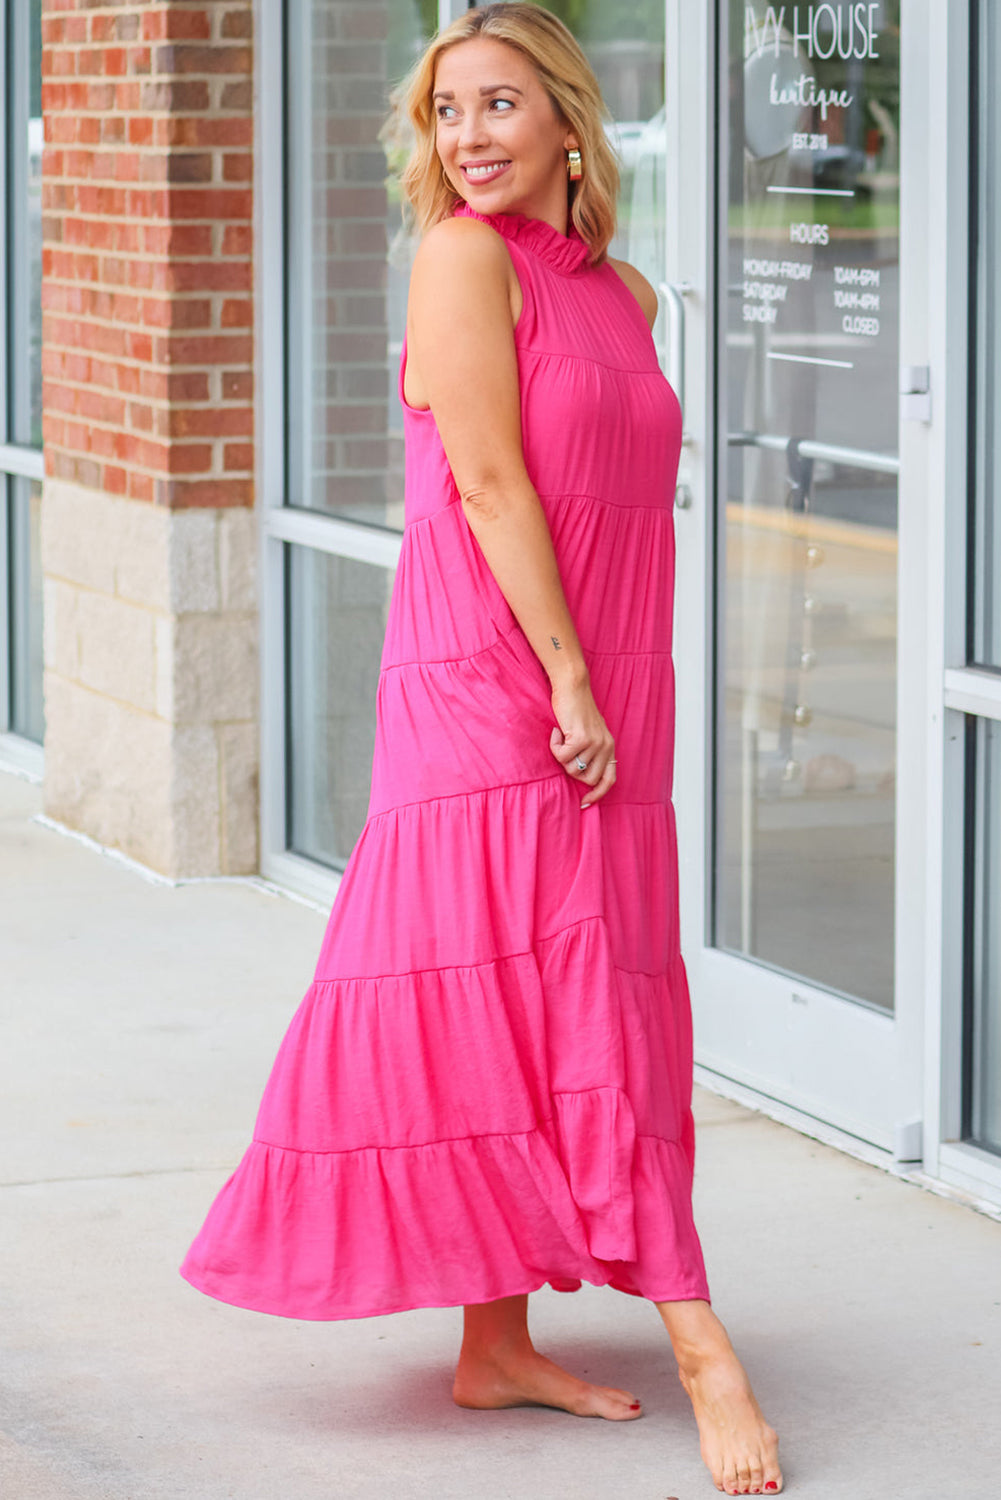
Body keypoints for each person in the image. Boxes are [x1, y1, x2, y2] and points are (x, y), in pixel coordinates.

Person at [180, 5, 782, 1495]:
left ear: (569, 120)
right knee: (563, 983)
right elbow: (493, 478)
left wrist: (605, 683)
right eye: (446, 113)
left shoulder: (625, 293)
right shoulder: (459, 259)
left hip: (602, 676)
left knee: (551, 985)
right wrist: (566, 680)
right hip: (496, 678)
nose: (468, 138)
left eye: (500, 106)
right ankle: (699, 1339)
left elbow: (624, 499)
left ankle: (493, 1342)